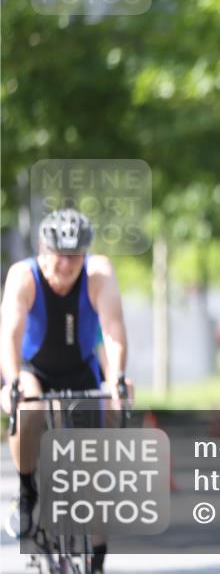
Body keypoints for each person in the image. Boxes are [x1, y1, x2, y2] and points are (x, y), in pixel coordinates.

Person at [0, 209, 129, 574]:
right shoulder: (23, 276)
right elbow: (8, 333)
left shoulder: (99, 274)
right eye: (61, 254)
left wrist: (117, 377)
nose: (68, 263)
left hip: (81, 368)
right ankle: (27, 492)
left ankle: (97, 559)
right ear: (44, 249)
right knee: (27, 409)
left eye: (76, 255)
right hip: (31, 368)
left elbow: (114, 330)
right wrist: (10, 383)